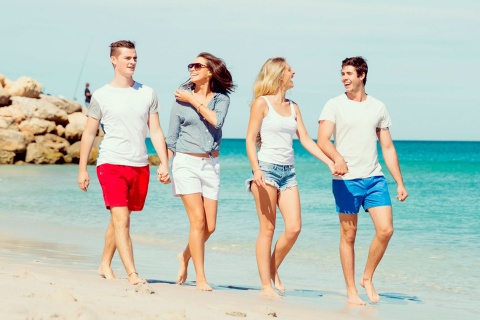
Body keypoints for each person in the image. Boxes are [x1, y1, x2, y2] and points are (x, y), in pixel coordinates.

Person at [77, 40, 170, 286]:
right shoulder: (101, 95)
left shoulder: (147, 92)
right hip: (110, 163)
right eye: (127, 58)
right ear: (113, 60)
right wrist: (82, 169)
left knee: (120, 217)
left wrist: (164, 162)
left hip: (139, 164)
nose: (132, 62)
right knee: (122, 220)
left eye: (135, 58)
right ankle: (133, 274)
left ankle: (104, 264)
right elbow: (89, 133)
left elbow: (156, 131)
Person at [317, 56, 408, 305]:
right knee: (349, 235)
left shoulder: (378, 107)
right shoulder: (333, 105)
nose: (344, 78)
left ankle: (367, 277)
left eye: (349, 74)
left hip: (374, 178)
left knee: (386, 230)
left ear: (362, 75)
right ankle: (351, 291)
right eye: (342, 74)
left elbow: (387, 147)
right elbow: (323, 140)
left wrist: (399, 182)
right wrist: (337, 158)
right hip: (346, 180)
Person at [245, 57, 334, 298]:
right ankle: (266, 286)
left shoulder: (294, 107)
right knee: (268, 229)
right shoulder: (261, 104)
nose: (293, 72)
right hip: (267, 170)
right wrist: (256, 169)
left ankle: (272, 269)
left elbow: (305, 140)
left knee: (294, 228)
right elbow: (250, 139)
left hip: (288, 173)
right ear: (278, 74)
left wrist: (329, 161)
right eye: (288, 69)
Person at [165, 52, 235, 291]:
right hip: (185, 163)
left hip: (211, 165)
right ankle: (201, 278)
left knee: (210, 226)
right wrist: (165, 165)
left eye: (197, 65)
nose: (192, 68)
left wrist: (193, 101)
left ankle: (185, 256)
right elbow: (172, 138)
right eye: (190, 65)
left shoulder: (221, 99)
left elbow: (217, 121)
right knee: (197, 220)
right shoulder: (179, 100)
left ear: (209, 72)